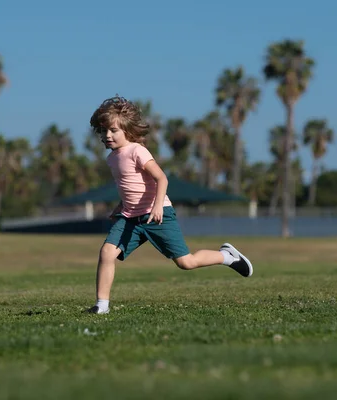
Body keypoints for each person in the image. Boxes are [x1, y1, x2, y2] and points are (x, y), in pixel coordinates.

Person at [86, 95, 253, 314]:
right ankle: (102, 306)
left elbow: (161, 178)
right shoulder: (112, 158)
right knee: (107, 253)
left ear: (127, 129)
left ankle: (228, 257)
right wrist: (120, 207)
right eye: (104, 131)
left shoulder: (137, 151)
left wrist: (156, 206)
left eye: (113, 130)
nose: (108, 135)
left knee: (186, 262)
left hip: (158, 214)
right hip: (130, 218)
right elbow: (130, 186)